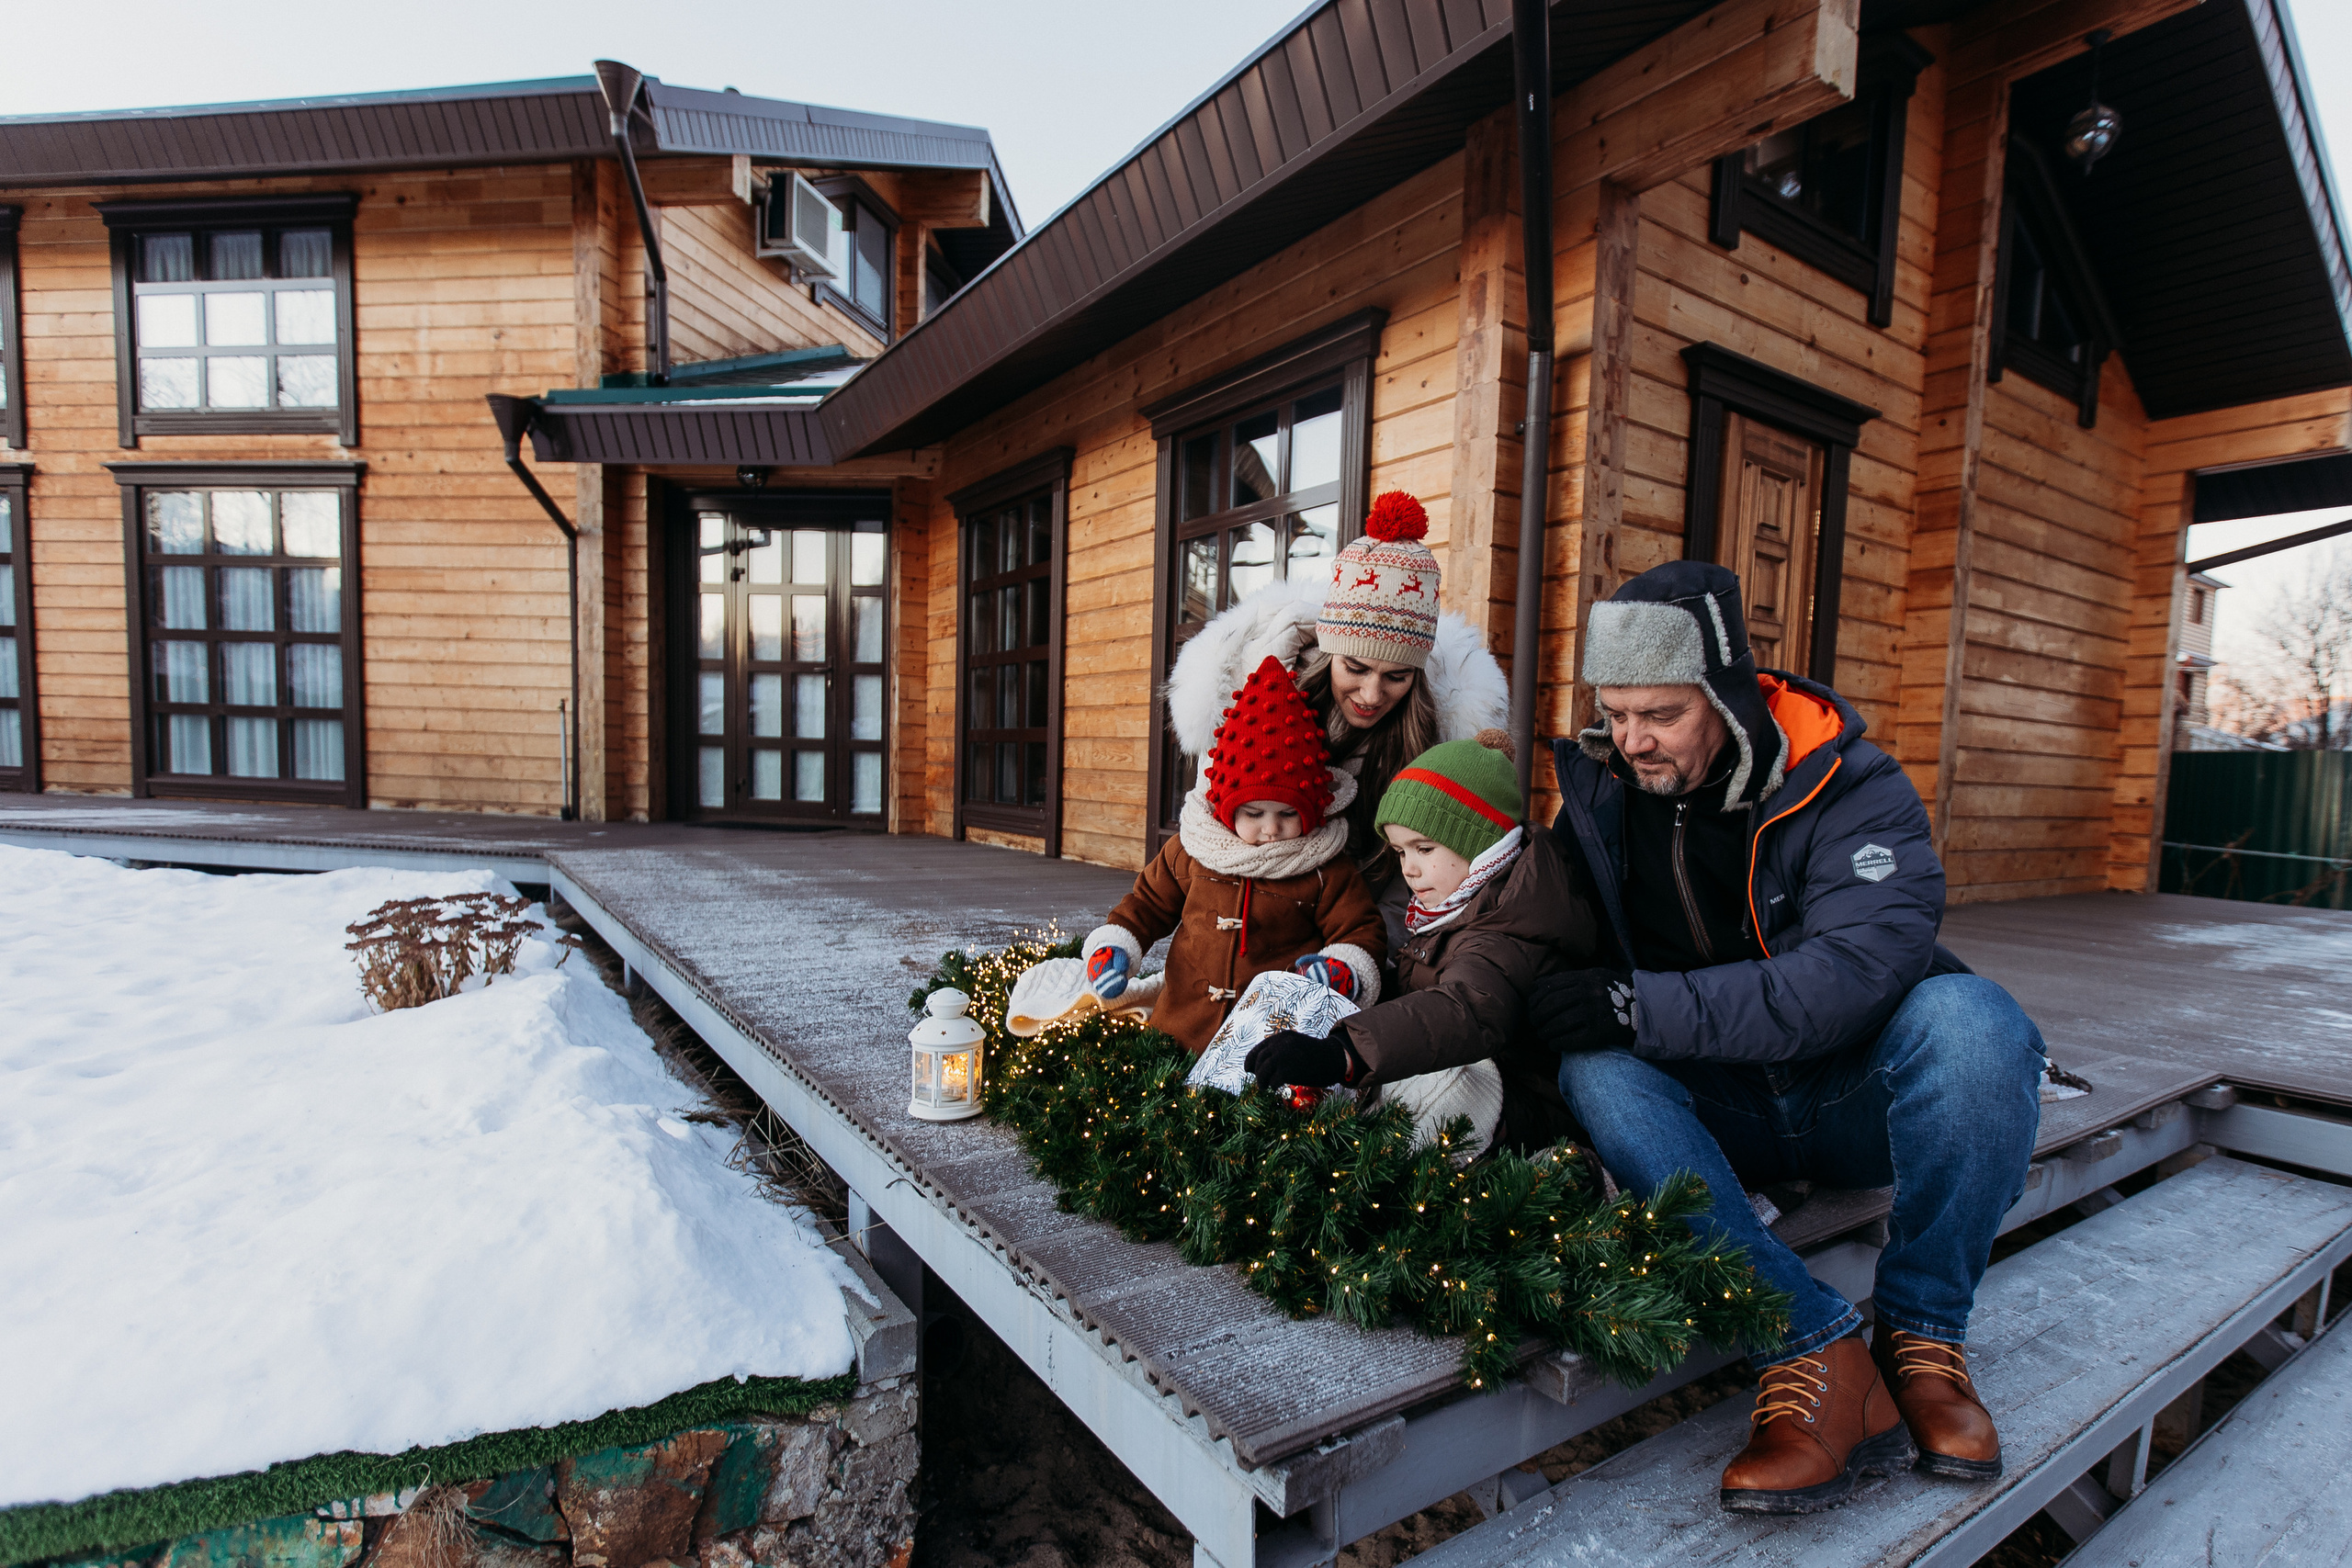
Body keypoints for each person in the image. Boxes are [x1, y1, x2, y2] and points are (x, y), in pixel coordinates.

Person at [1530, 560, 2045, 1517]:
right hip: (1721, 1112)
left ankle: (1925, 1336)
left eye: (1660, 714)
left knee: (1979, 1024)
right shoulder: (1600, 797)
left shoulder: (1852, 787)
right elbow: (1527, 920)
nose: (1631, 740)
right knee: (1594, 1068)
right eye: (1614, 710)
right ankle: (1810, 1345)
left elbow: (1850, 976)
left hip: (1847, 1095)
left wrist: (1642, 1007)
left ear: (1725, 697)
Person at [1163, 491, 1510, 953]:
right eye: (1356, 668)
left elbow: (1403, 889)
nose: (1371, 695)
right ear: (1328, 654)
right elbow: (1214, 835)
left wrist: (1361, 957)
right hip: (1244, 937)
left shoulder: (1426, 743)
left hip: (1355, 943)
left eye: (1397, 676)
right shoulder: (1257, 715)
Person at [1241, 732, 1598, 1154]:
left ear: (1481, 844)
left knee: (1430, 1091)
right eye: (1399, 852)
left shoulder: (1505, 927)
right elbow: (1420, 991)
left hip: (1520, 1108)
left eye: (1423, 849)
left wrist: (1344, 1052)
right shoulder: (1460, 904)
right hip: (1474, 1072)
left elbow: (1463, 1009)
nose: (1409, 870)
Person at [1082, 655, 1385, 1053]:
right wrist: (1117, 946)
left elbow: (1359, 929)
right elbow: (1147, 903)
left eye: (1289, 814)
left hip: (1270, 1040)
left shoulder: (1325, 869)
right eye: (1254, 813)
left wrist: (1343, 969)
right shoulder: (1194, 852)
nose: (1272, 828)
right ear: (1227, 810)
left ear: (1313, 810)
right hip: (1180, 1031)